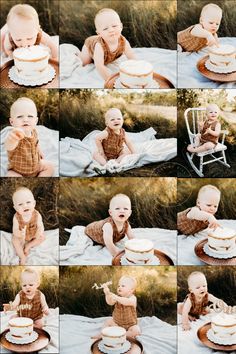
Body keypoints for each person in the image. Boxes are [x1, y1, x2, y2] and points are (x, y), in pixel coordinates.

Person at [76, 8, 136, 80]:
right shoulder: (100, 45)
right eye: (105, 29)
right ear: (99, 33)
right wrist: (110, 79)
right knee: (85, 62)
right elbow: (99, 66)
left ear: (121, 26)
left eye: (114, 26)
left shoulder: (123, 41)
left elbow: (131, 56)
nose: (111, 30)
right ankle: (77, 54)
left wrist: (137, 68)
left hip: (104, 55)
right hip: (89, 46)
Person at [5, 97, 54, 177]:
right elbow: (9, 147)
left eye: (30, 116)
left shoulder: (34, 132)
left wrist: (39, 151)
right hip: (17, 170)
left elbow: (36, 143)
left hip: (36, 166)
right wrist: (12, 140)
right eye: (20, 116)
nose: (25, 119)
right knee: (9, 174)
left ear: (36, 121)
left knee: (50, 167)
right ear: (12, 122)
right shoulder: (15, 135)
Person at [11, 187, 45, 265]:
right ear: (15, 208)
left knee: (42, 237)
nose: (25, 206)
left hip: (33, 235)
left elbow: (40, 226)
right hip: (21, 236)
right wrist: (19, 234)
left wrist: (39, 232)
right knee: (14, 240)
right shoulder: (16, 217)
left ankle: (28, 246)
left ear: (34, 203)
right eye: (20, 204)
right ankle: (22, 256)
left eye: (28, 202)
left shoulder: (37, 214)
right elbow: (15, 230)